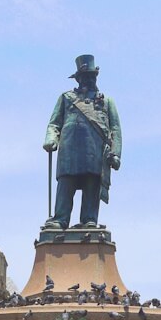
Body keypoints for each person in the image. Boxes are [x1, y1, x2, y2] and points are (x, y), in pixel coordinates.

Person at [43, 54, 122, 229]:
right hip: (69, 150)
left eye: (92, 76)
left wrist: (115, 153)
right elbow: (54, 123)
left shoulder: (107, 101)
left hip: (94, 151)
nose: (89, 79)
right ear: (78, 78)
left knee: (91, 183)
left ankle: (89, 220)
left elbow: (115, 129)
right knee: (66, 184)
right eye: (85, 76)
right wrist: (50, 139)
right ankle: (60, 219)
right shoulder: (66, 98)